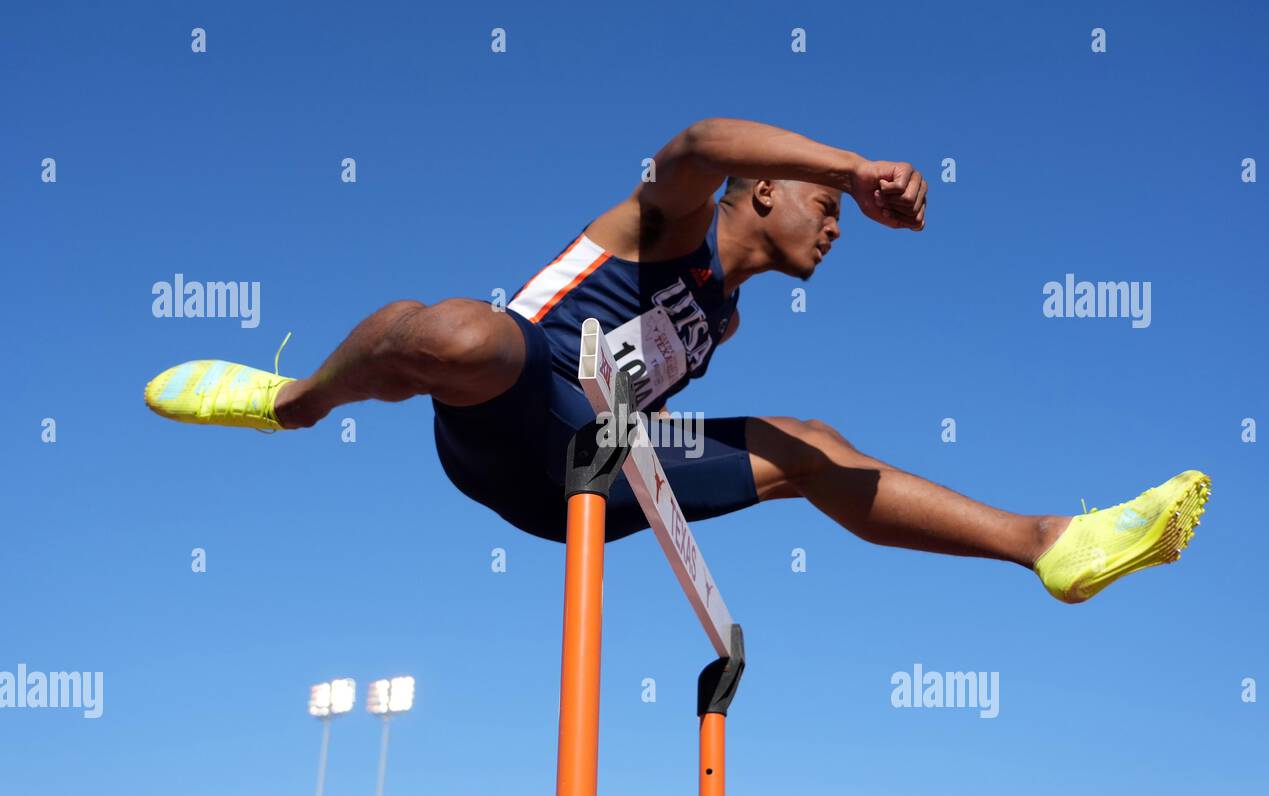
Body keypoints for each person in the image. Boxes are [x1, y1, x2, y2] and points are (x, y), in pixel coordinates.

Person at [143, 117, 1209, 604]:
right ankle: (291, 401)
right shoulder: (667, 223)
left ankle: (1048, 543)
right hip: (505, 411)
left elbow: (643, 416)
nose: (834, 227)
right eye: (822, 209)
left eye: (841, 212)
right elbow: (697, 139)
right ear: (762, 192)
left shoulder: (726, 316)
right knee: (454, 327)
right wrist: (853, 164)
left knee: (809, 444)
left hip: (586, 475)